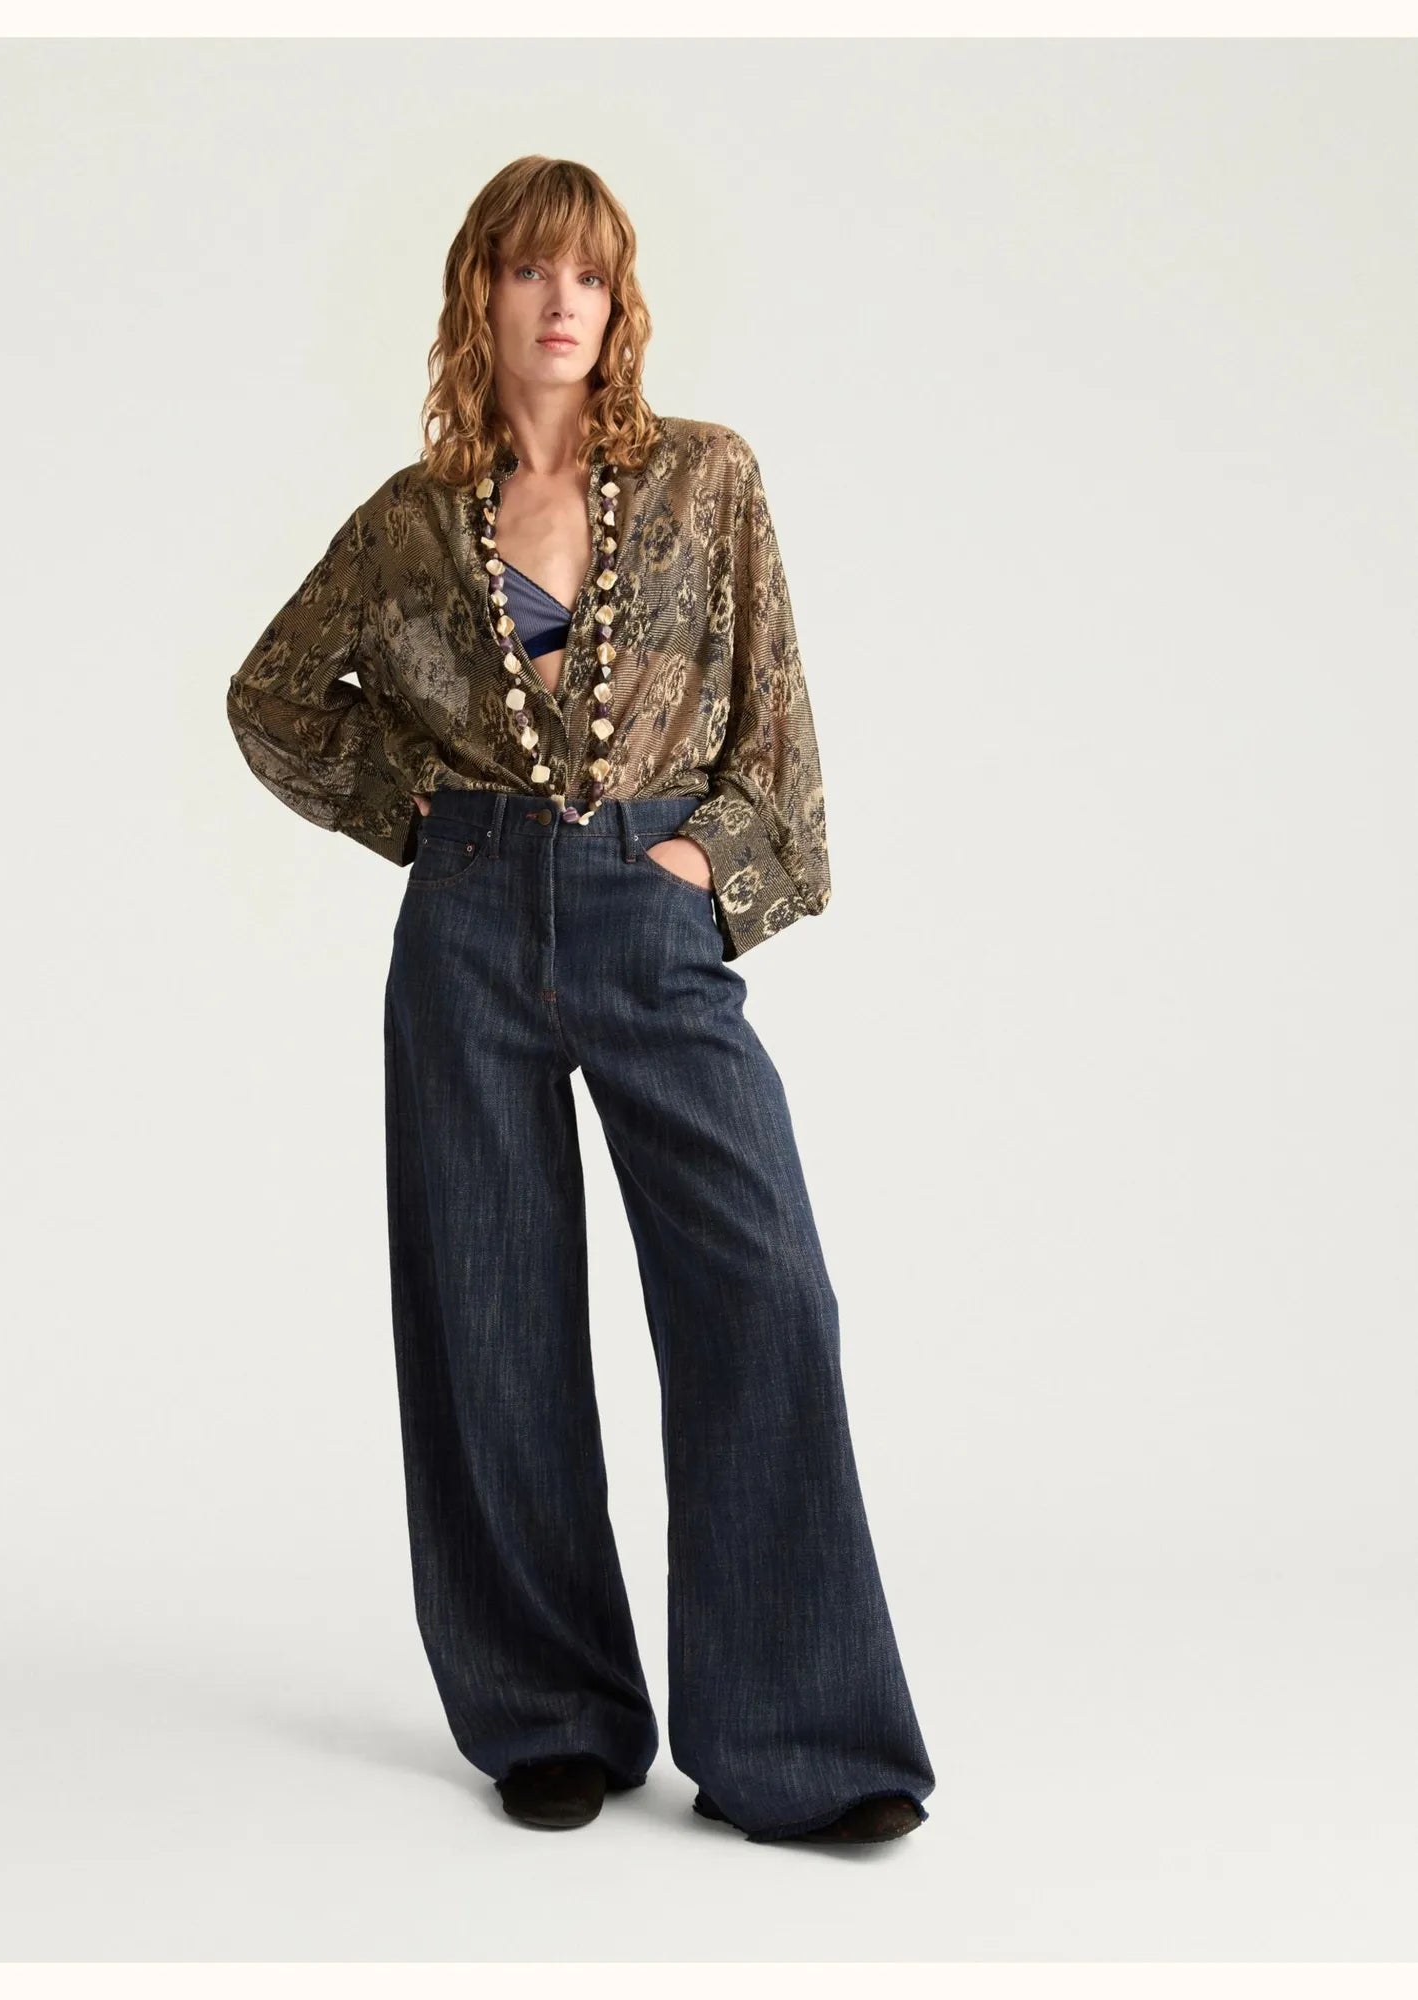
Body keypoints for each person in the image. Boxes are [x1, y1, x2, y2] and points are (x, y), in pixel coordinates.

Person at [225, 155, 935, 1846]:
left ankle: (799, 1742)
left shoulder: (705, 478)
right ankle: (547, 1714)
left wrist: (700, 871)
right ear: (477, 293)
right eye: (530, 271)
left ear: (622, 304)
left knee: (765, 1292)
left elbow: (778, 745)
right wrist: (419, 817)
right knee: (489, 1315)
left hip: (649, 913)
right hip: (467, 929)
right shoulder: (411, 521)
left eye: (592, 276)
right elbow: (272, 699)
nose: (562, 303)